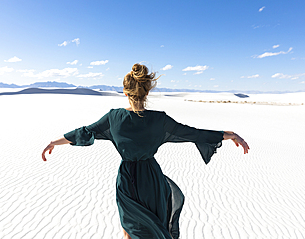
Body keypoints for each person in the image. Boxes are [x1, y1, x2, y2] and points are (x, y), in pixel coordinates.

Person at [42, 63, 249, 239]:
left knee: (130, 230)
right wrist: (227, 134)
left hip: (127, 180)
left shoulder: (114, 118)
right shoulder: (160, 120)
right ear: (147, 91)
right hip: (152, 180)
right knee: (153, 228)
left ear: (125, 92)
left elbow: (84, 132)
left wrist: (54, 142)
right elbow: (192, 133)